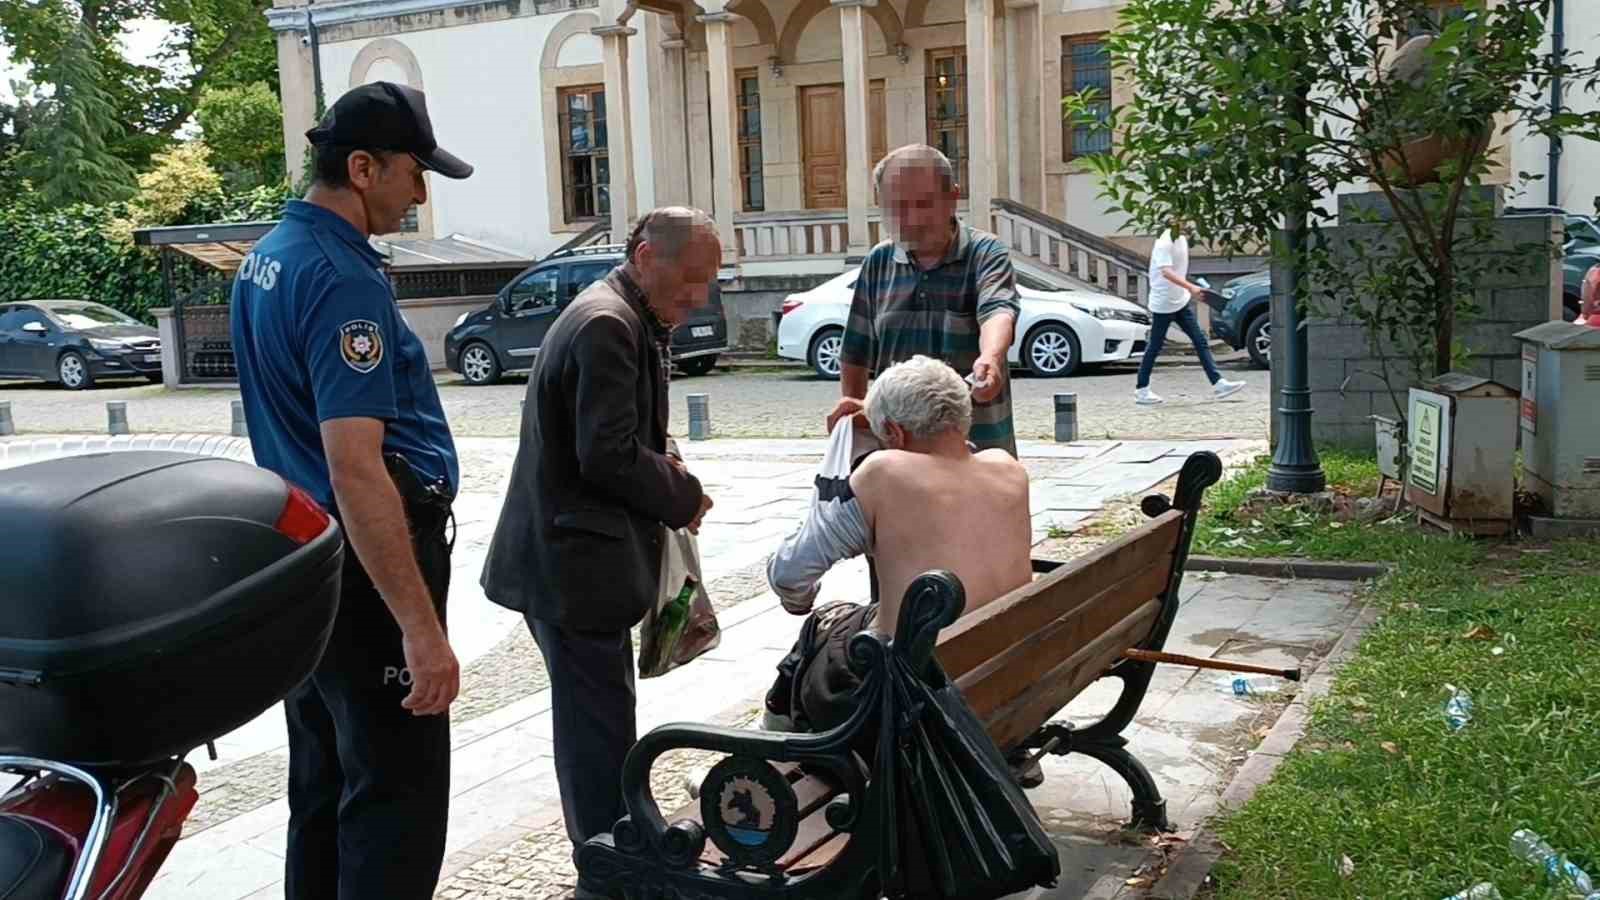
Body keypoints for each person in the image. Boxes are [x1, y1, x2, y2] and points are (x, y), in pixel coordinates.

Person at [229, 81, 470, 900]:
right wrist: (421, 629)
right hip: (367, 569)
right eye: (412, 171)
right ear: (363, 167)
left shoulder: (267, 257)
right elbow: (356, 466)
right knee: (392, 801)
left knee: (323, 787)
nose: (420, 192)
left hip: (308, 562)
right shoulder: (341, 278)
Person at [480, 207, 718, 871]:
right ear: (645, 257)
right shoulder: (608, 324)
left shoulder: (621, 314)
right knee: (596, 726)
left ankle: (613, 847)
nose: (699, 296)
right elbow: (606, 454)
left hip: (573, 561)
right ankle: (609, 859)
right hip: (573, 566)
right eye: (691, 280)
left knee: (595, 716)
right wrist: (682, 494)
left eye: (708, 282)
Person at [766, 355, 1033, 734]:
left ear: (894, 433)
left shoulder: (885, 472)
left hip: (914, 692)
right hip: (1005, 670)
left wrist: (798, 600)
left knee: (819, 629)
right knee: (851, 619)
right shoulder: (1008, 469)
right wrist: (877, 415)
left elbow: (790, 572)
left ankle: (773, 759)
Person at [828, 144, 1022, 458]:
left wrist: (991, 357)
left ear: (952, 197)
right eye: (897, 207)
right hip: (899, 455)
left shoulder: (986, 253)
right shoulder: (879, 262)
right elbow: (855, 352)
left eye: (923, 204)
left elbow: (997, 311)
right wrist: (855, 421)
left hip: (976, 452)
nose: (911, 218)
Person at [1134, 221, 1247, 405]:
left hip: (1179, 300)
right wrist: (1191, 287)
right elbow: (1166, 272)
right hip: (1163, 303)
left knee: (1200, 339)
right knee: (1154, 346)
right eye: (1185, 220)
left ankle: (1218, 383)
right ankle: (1141, 390)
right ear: (1173, 221)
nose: (1191, 223)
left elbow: (1178, 270)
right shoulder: (1165, 241)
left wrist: (1195, 286)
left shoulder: (1181, 239)